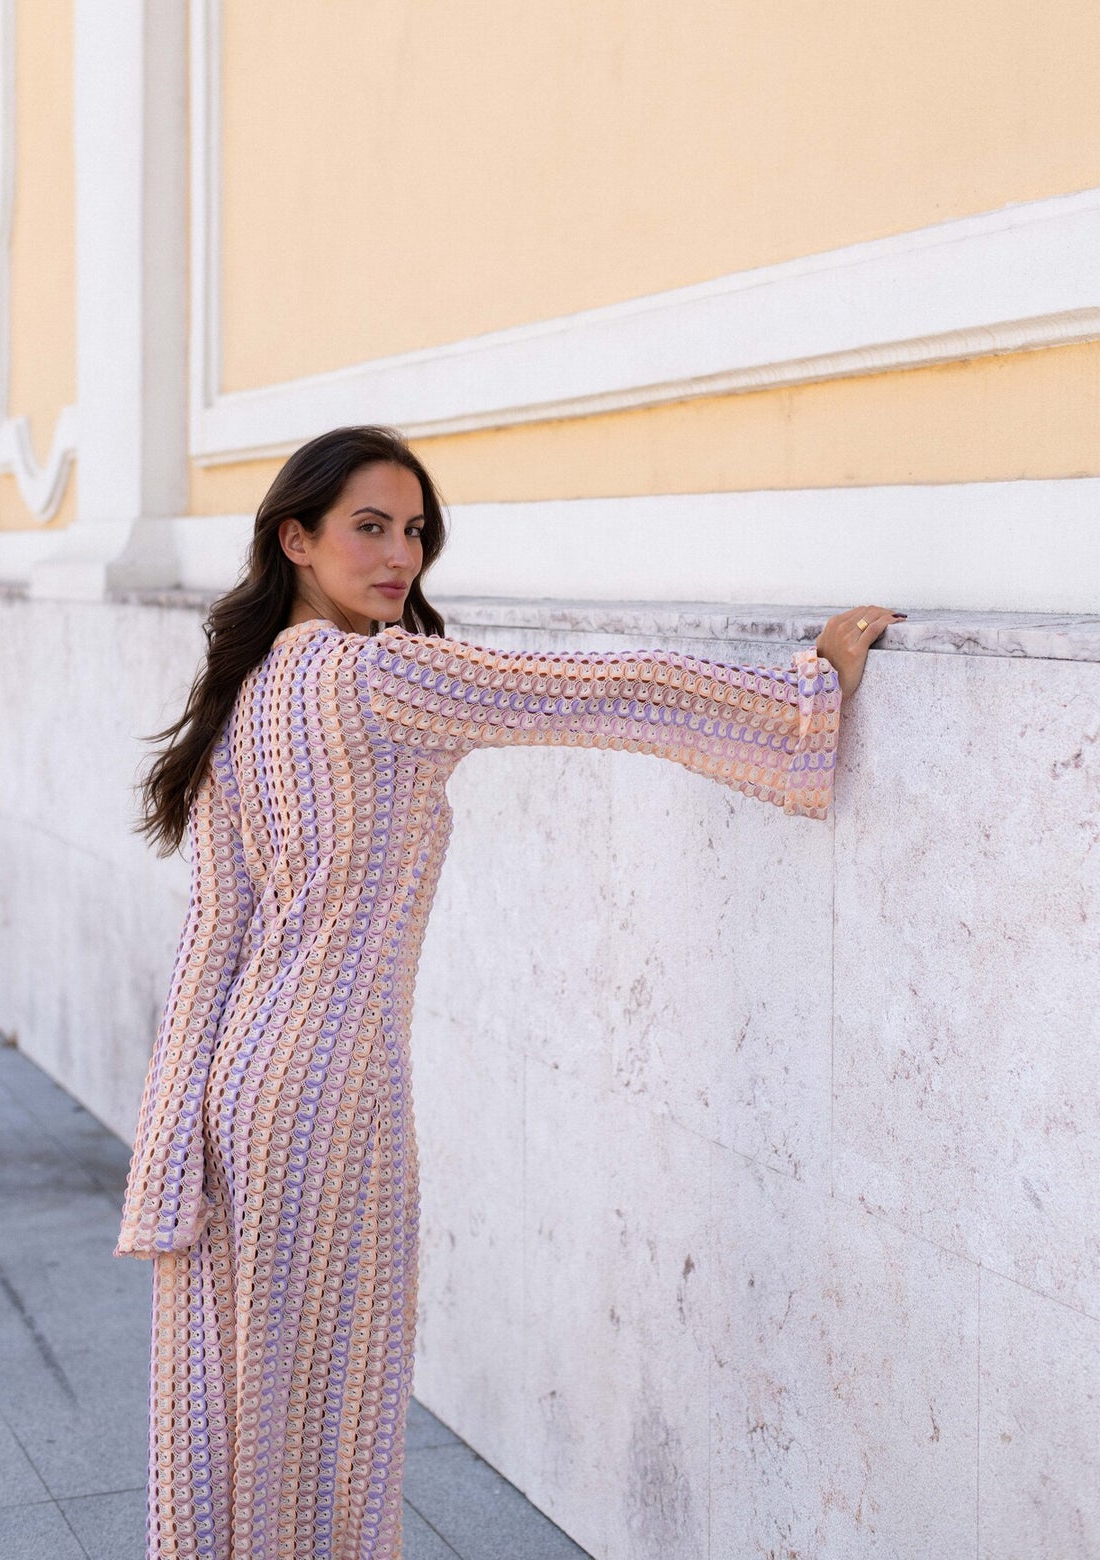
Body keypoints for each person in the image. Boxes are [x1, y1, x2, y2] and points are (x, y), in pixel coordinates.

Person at [117, 423, 902, 1560]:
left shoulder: (244, 700)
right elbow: (592, 691)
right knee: (330, 1403)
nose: (402, 556)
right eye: (370, 528)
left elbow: (207, 948)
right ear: (296, 538)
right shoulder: (379, 673)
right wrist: (803, 695)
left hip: (238, 1098)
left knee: (246, 1401)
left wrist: (165, 1156)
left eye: (417, 530)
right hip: (330, 1094)